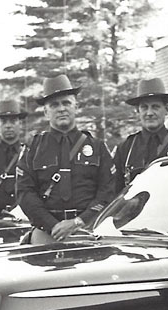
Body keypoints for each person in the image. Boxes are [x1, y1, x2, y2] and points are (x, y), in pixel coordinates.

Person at [15, 74, 117, 244]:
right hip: (47, 232)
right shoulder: (33, 148)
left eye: (66, 103)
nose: (61, 109)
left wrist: (79, 222)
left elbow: (107, 191)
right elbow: (25, 193)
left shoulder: (97, 147)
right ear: (46, 112)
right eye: (54, 105)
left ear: (76, 106)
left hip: (88, 230)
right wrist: (52, 225)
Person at [112, 78, 168, 190]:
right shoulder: (126, 148)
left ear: (167, 109)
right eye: (144, 107)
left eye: (155, 107)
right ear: (138, 111)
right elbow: (116, 191)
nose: (149, 113)